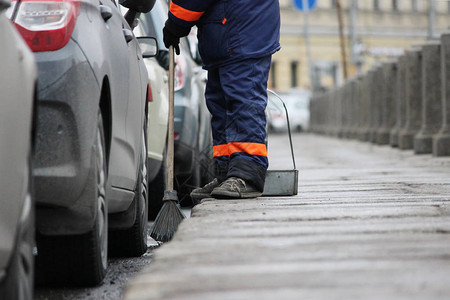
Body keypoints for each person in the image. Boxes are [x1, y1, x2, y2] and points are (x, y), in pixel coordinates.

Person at [162, 0, 280, 199]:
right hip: (227, 31)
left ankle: (247, 174)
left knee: (242, 102)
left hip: (242, 32)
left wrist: (176, 22)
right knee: (221, 105)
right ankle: (227, 172)